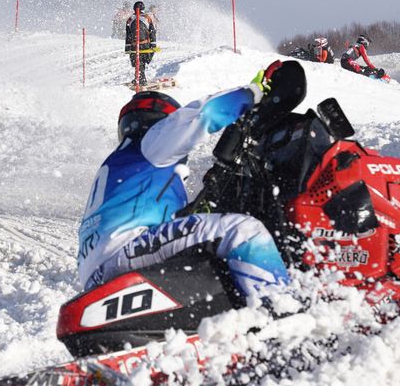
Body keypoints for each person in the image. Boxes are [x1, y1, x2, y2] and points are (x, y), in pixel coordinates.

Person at [76, 67, 290, 300]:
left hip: (96, 275)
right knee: (243, 232)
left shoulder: (120, 164)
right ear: (160, 121)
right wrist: (253, 93)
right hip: (124, 252)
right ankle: (281, 309)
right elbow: (202, 115)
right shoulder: (151, 144)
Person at [112, 1, 157, 83]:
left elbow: (128, 35)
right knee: (142, 61)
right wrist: (153, 45)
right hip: (145, 44)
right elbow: (152, 32)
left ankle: (139, 77)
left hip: (134, 45)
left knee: (137, 61)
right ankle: (141, 78)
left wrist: (127, 47)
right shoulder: (147, 18)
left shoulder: (130, 19)